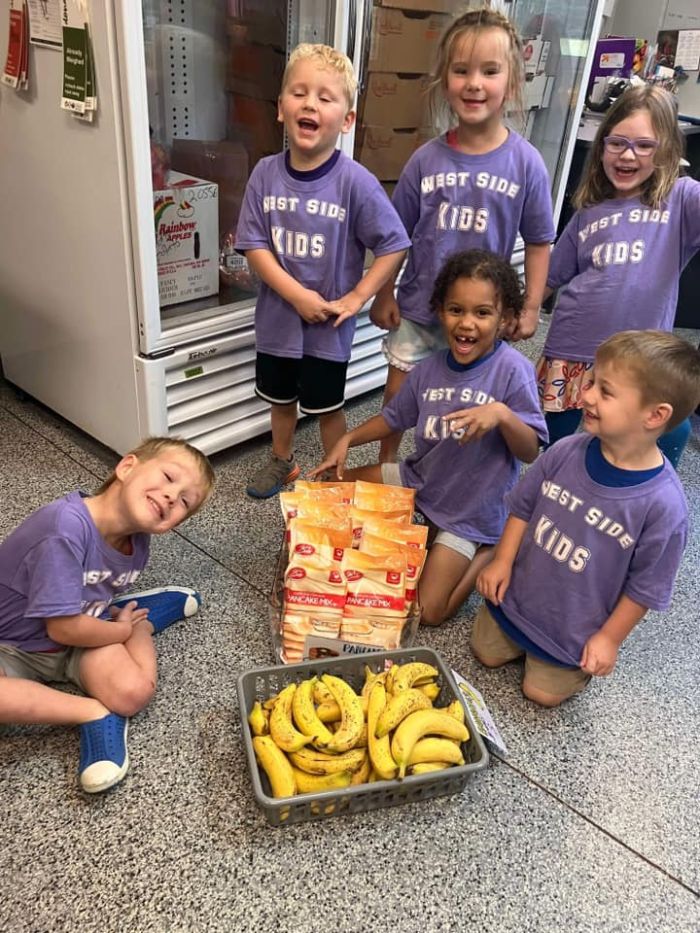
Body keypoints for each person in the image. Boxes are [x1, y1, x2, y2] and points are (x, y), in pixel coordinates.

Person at [310, 250, 548, 626]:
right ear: (440, 312)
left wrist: (502, 415)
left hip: (469, 513)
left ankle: (490, 549)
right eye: (456, 310)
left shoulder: (513, 371)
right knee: (327, 489)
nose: (467, 323)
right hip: (420, 481)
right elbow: (394, 418)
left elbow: (530, 450)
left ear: (504, 319)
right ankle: (413, 530)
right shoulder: (428, 370)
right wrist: (348, 439)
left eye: (482, 313)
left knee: (428, 611)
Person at [369, 7, 555, 463]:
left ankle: (452, 476)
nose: (474, 83)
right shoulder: (424, 159)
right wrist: (383, 292)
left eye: (490, 71)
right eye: (461, 70)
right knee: (398, 397)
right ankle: (388, 467)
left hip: (484, 313)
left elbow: (539, 240)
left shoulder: (526, 163)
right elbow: (396, 235)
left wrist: (530, 306)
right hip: (419, 308)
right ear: (444, 79)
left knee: (468, 402)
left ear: (512, 82)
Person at [475, 331, 700, 707]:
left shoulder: (664, 507)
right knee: (485, 653)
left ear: (655, 415)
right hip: (516, 598)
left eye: (605, 391)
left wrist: (609, 639)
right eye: (592, 381)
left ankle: (570, 670)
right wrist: (501, 561)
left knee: (540, 695)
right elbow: (523, 508)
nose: (587, 394)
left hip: (570, 628)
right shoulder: (565, 451)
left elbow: (645, 588)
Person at [235, 43, 410, 499]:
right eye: (299, 93)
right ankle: (283, 461)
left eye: (325, 97)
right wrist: (297, 296)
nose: (310, 104)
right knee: (281, 402)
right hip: (277, 324)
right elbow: (254, 246)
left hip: (328, 332)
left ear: (347, 120)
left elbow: (394, 244)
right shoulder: (264, 174)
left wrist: (357, 298)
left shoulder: (356, 183)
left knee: (328, 407)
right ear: (281, 108)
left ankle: (336, 476)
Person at [0, 437, 215, 794]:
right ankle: (91, 712)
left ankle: (140, 621)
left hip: (80, 630)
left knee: (133, 694)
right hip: (13, 644)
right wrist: (118, 633)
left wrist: (120, 629)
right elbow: (63, 627)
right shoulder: (64, 529)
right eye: (167, 477)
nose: (170, 497)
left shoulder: (137, 541)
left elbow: (77, 617)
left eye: (184, 502)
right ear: (127, 467)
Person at [538, 85, 700, 467]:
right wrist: (523, 313)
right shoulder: (589, 211)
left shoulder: (679, 199)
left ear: (666, 152)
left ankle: (634, 495)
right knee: (557, 448)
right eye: (617, 143)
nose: (628, 155)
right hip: (573, 350)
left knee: (660, 433)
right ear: (602, 147)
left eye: (644, 146)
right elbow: (552, 275)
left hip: (641, 359)